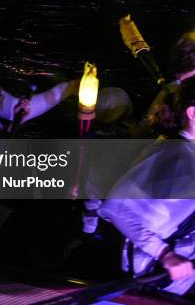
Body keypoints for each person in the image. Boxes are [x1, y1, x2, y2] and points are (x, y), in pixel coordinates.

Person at [99, 77, 195, 297]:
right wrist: (165, 254)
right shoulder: (172, 154)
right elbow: (115, 206)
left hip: (182, 278)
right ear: (192, 113)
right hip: (155, 278)